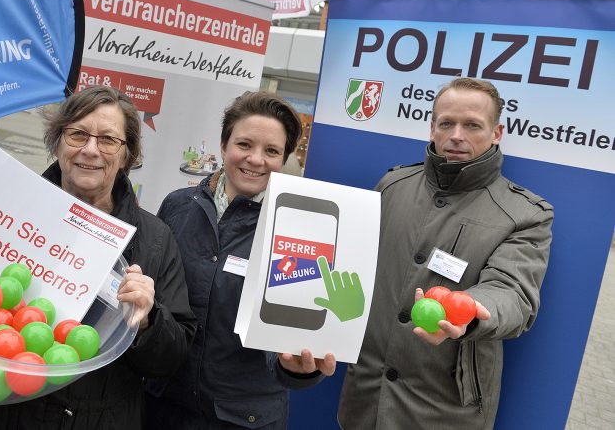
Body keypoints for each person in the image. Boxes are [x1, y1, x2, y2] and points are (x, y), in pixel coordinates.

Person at [0, 86, 196, 429]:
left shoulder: (154, 239)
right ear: (58, 141)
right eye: (77, 134)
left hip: (96, 418)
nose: (90, 150)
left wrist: (149, 320)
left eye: (108, 140)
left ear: (126, 155)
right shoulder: (6, 208)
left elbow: (172, 358)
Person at [337, 78, 553, 429]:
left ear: (496, 132)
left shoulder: (524, 214)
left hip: (443, 410)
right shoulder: (392, 186)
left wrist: (468, 311)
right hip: (366, 397)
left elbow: (512, 294)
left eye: (472, 125)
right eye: (446, 123)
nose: (456, 135)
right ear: (431, 128)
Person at [145, 91, 336, 430]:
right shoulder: (178, 206)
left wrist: (294, 367)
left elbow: (287, 335)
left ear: (285, 158)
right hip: (163, 407)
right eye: (244, 145)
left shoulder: (298, 228)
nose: (256, 159)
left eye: (272, 151)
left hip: (243, 419)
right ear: (223, 145)